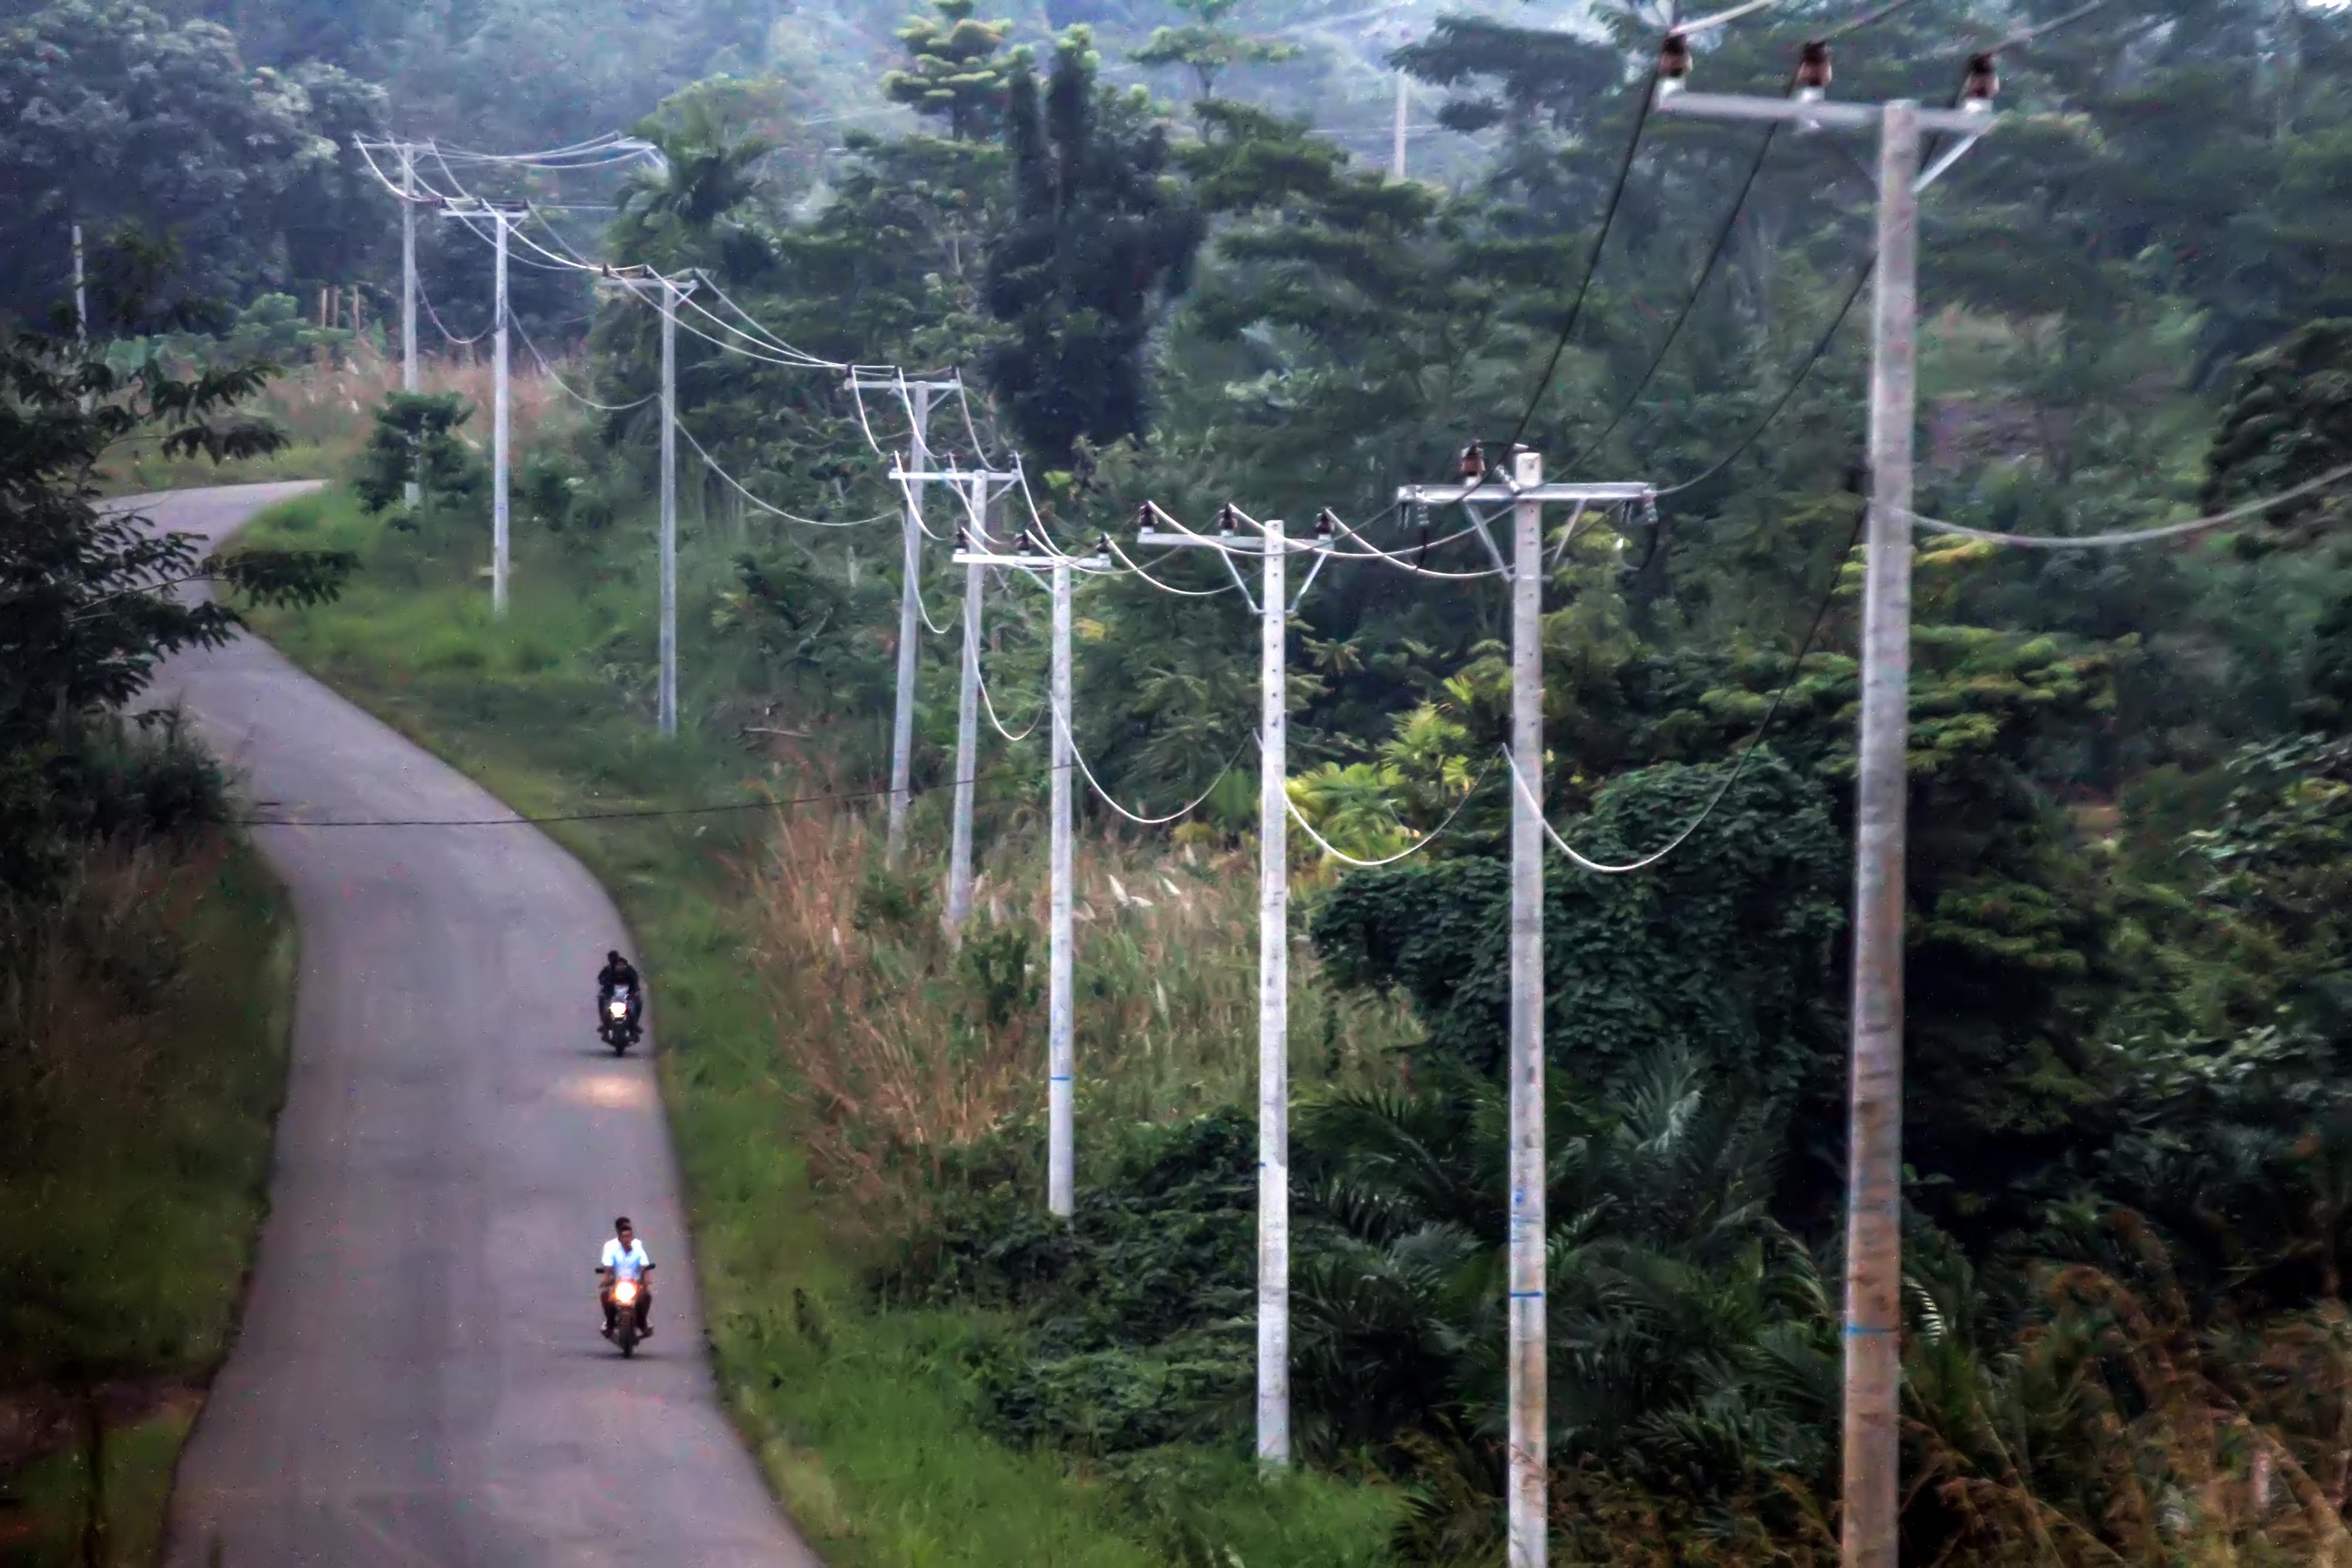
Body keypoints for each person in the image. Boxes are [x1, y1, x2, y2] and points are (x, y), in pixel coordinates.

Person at [598, 1216, 655, 1338]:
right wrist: (606, 1278)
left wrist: (647, 1277)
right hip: (618, 1283)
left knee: (647, 1296)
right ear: (619, 1238)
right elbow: (608, 1267)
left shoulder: (638, 1247)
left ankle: (642, 1322)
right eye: (624, 1237)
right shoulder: (613, 1249)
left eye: (629, 1236)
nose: (627, 1240)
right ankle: (610, 1323)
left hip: (635, 1283)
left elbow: (645, 1265)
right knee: (605, 1296)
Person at [597, 950, 641, 1033]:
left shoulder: (629, 970)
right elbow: (601, 979)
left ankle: (635, 1024)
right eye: (611, 960)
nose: (617, 965)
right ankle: (605, 1023)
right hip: (612, 994)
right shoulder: (608, 970)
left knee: (638, 1002)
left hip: (627, 993)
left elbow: (635, 981)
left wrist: (635, 992)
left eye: (616, 962)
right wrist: (605, 982)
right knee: (601, 1000)